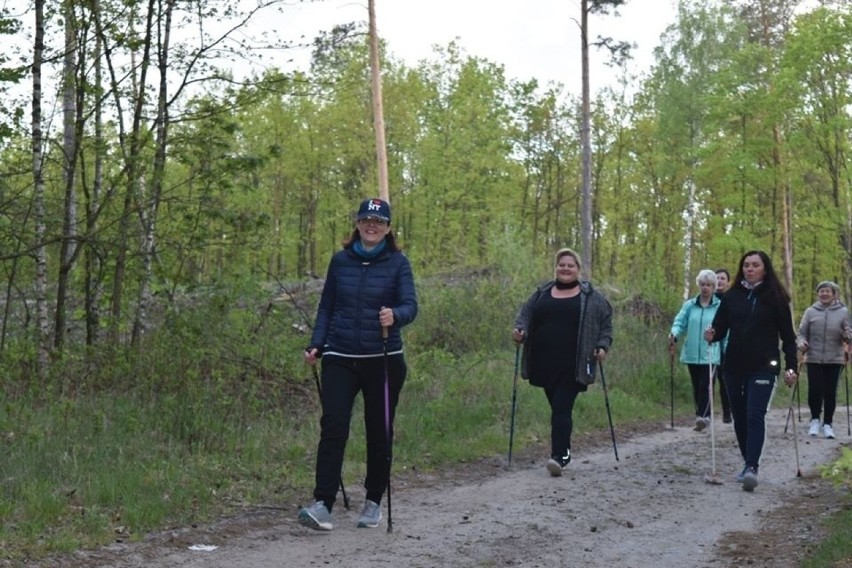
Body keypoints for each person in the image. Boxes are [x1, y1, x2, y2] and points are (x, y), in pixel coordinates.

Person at [298, 198, 418, 531]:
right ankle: (323, 504)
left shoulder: (398, 263)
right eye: (366, 219)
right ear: (357, 223)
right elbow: (326, 307)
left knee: (378, 431)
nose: (371, 225)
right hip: (339, 356)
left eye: (378, 221)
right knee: (333, 427)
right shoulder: (340, 262)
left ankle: (373, 500)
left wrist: (395, 315)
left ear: (388, 228)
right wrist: (316, 344)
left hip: (382, 358)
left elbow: (411, 306)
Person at [512, 248, 613, 477]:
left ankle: (561, 456)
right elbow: (525, 315)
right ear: (556, 268)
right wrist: (520, 331)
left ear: (578, 269)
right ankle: (561, 450)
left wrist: (602, 345)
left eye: (570, 265)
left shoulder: (590, 296)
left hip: (574, 364)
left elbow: (606, 322)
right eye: (561, 265)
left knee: (561, 407)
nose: (565, 268)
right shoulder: (542, 292)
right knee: (557, 409)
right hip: (544, 362)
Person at [704, 250, 798, 492]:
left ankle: (752, 468)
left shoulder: (776, 297)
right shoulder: (732, 295)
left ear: (764, 268)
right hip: (734, 365)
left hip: (764, 366)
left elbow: (788, 337)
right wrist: (712, 333)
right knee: (740, 415)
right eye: (746, 265)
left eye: (755, 265)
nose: (750, 269)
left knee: (755, 414)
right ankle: (748, 462)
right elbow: (720, 328)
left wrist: (791, 367)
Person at [796, 281, 852, 440]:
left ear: (834, 294)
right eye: (821, 291)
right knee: (814, 390)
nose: (824, 294)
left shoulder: (843, 312)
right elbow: (801, 333)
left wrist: (847, 335)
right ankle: (815, 420)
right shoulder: (810, 312)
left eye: (827, 291)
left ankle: (828, 424)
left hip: (835, 358)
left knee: (830, 392)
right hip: (813, 356)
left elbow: (849, 333)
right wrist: (801, 343)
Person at [668, 270, 722, 431]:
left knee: (706, 385)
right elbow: (680, 322)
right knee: (696, 385)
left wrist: (726, 349)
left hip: (711, 353)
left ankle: (703, 416)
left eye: (709, 285)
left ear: (714, 287)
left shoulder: (719, 306)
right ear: (699, 285)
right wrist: (674, 334)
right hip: (692, 353)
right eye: (703, 284)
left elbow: (725, 330)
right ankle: (700, 414)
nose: (705, 288)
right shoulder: (689, 305)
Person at [714, 268, 732, 423]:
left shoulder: (732, 299)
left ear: (728, 282)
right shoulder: (706, 299)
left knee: (725, 380)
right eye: (717, 278)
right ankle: (704, 413)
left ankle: (727, 411)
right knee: (707, 379)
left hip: (728, 346)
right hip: (711, 345)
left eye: (722, 278)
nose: (719, 281)